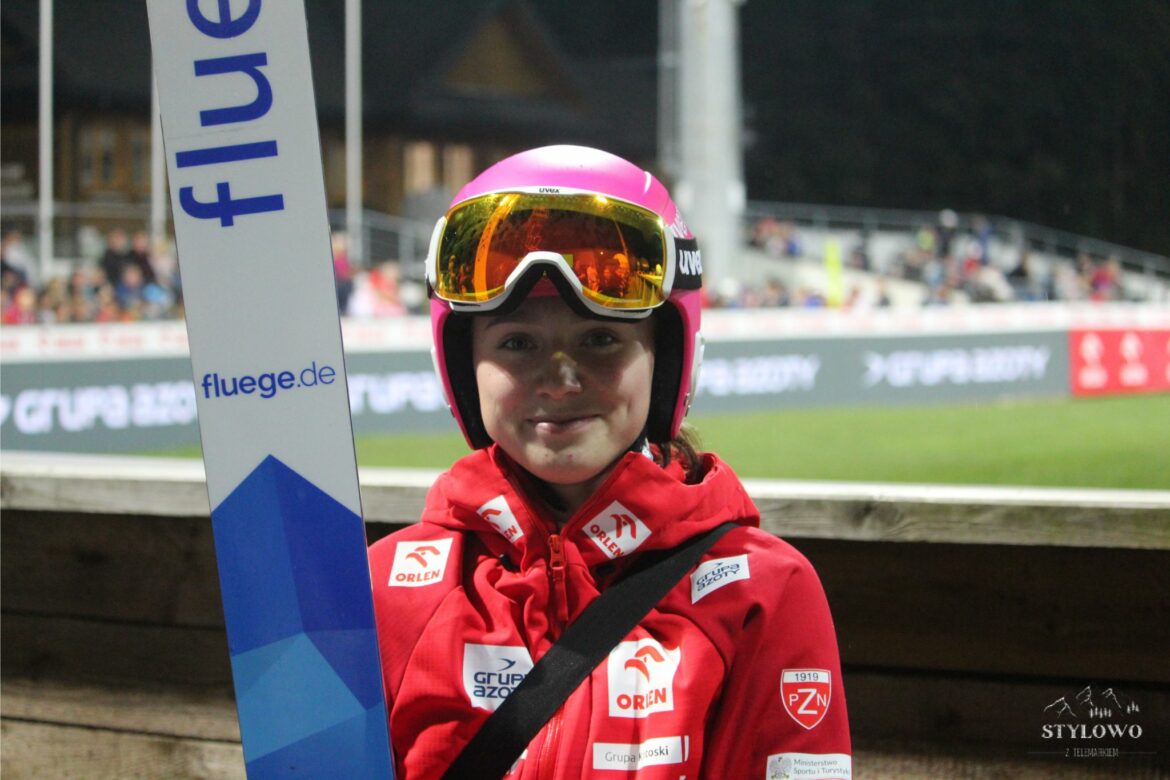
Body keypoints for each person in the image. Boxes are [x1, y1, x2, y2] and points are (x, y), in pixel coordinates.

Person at [368, 146, 851, 779]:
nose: (559, 380)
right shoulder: (385, 591)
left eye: (600, 339)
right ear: (464, 365)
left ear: (667, 359)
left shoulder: (761, 592)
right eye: (517, 342)